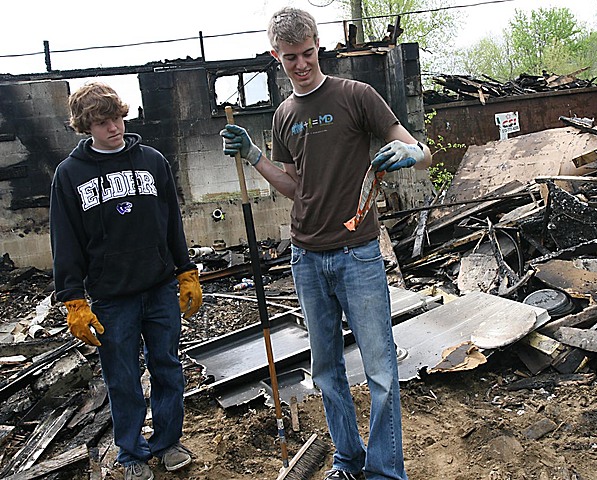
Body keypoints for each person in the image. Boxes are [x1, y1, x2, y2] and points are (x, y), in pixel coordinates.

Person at [220, 7, 431, 480]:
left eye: (308, 53)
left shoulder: (356, 95)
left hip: (358, 255)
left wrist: (409, 151)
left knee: (379, 373)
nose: (301, 64)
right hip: (307, 258)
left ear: (320, 46)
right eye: (291, 57)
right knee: (327, 374)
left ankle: (383, 472)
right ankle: (347, 461)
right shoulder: (283, 116)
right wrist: (254, 156)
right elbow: (295, 186)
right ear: (276, 56)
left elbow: (422, 152)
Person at [50, 82, 202, 480]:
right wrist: (73, 299)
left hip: (159, 287)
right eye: (102, 123)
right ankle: (132, 453)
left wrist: (185, 271)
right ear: (86, 126)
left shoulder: (152, 161)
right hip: (112, 296)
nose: (114, 128)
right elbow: (64, 238)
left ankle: (168, 442)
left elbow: (172, 223)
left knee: (167, 366)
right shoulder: (70, 175)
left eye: (116, 118)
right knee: (121, 376)